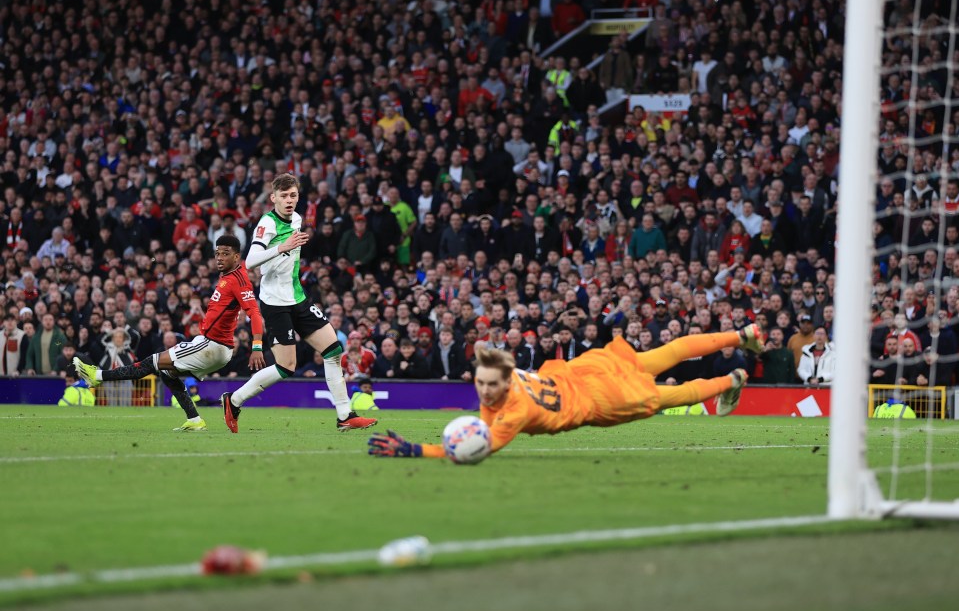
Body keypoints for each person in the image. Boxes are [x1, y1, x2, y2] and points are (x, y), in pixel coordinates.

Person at [368, 325, 766, 459]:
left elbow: (477, 448)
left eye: (491, 385)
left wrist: (415, 449)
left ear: (507, 382)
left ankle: (729, 382)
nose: (485, 392)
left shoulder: (515, 414)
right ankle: (742, 335)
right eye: (481, 383)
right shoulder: (509, 377)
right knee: (664, 354)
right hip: (582, 371)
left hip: (595, 400)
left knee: (664, 397)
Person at [222, 174, 377, 433]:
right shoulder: (267, 224)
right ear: (273, 198)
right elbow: (249, 261)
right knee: (286, 367)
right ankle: (234, 400)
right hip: (274, 303)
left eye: (293, 195)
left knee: (333, 351)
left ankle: (345, 415)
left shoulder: (296, 219)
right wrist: (281, 247)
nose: (289, 200)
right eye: (284, 196)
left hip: (298, 297)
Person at [74, 235, 264, 431]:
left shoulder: (239, 280)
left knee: (152, 362)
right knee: (166, 372)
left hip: (212, 345)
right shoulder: (229, 276)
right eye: (217, 253)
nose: (219, 258)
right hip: (211, 344)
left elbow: (255, 313)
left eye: (225, 254)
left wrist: (257, 346)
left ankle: (97, 376)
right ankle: (194, 420)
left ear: (236, 256)